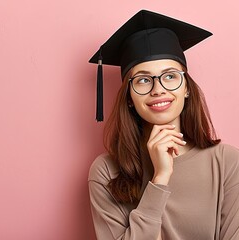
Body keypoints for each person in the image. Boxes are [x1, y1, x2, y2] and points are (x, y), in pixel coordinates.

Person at [88, 10, 239, 240]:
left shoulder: (227, 163)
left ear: (186, 87)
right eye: (143, 80)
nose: (158, 89)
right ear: (129, 96)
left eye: (170, 76)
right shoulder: (106, 172)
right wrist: (160, 179)